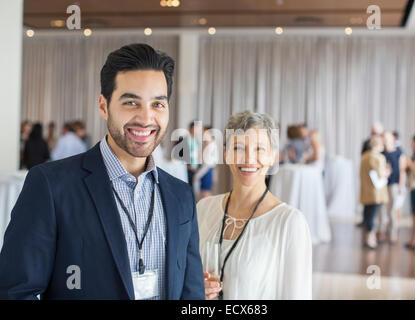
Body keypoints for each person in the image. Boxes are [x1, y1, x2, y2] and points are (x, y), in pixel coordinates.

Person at [0, 43, 204, 300]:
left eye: (157, 104)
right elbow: (16, 292)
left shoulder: (181, 195)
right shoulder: (51, 186)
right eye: (131, 102)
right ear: (103, 106)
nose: (145, 117)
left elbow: (192, 295)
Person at [198, 111, 312, 300]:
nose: (248, 159)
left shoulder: (289, 223)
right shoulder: (203, 209)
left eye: (259, 149)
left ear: (273, 157)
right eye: (238, 148)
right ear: (226, 154)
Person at [360, 136, 390, 249]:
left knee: (368, 215)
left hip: (366, 191)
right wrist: (387, 172)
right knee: (372, 216)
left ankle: (368, 238)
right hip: (377, 192)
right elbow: (381, 174)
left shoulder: (364, 157)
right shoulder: (379, 158)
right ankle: (371, 240)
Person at [377, 131, 407, 244]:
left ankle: (393, 231)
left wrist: (401, 185)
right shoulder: (381, 153)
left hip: (394, 184)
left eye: (386, 138)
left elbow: (402, 170)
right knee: (382, 209)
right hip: (383, 184)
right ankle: (381, 231)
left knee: (392, 209)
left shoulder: (398, 153)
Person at [193, 126, 219, 199]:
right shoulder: (204, 145)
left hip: (207, 172)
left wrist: (198, 175)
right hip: (201, 170)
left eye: (205, 133)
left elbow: (209, 164)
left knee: (205, 195)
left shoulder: (212, 146)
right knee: (200, 196)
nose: (203, 135)